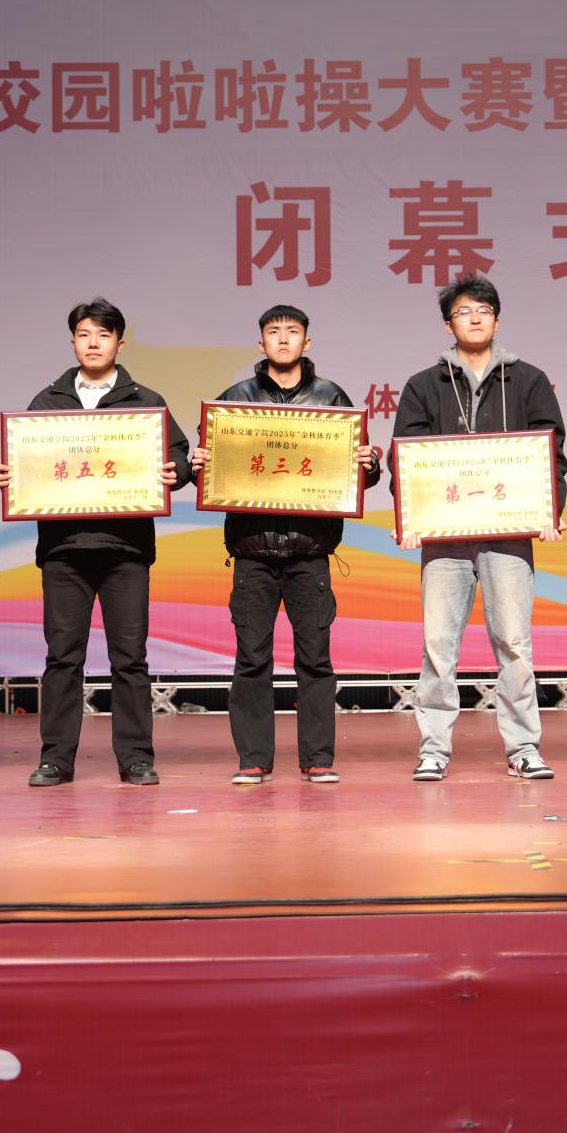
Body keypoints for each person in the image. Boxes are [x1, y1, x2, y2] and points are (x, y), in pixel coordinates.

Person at [0, 299, 191, 788]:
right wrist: (15, 477)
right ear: (73, 342)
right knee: (63, 657)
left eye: (103, 335)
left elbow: (178, 454)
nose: (93, 343)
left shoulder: (145, 401)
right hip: (63, 549)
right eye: (84, 334)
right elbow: (27, 462)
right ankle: (55, 759)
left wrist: (177, 471)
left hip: (126, 549)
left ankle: (136, 758)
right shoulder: (47, 402)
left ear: (119, 344)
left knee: (130, 658)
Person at [189, 306, 381, 785]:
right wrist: (201, 465)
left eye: (292, 332)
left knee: (315, 660)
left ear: (306, 342)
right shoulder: (236, 400)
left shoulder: (331, 398)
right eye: (273, 332)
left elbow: (358, 474)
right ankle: (253, 758)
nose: (282, 339)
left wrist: (369, 464)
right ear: (261, 344)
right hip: (252, 552)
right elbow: (211, 473)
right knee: (251, 659)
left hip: (309, 552)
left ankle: (318, 758)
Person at [391, 272, 567, 782]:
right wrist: (410, 516)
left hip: (508, 535)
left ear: (497, 320)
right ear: (448, 324)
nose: (475, 318)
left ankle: (524, 747)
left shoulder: (529, 380)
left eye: (484, 310)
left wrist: (548, 509)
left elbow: (550, 453)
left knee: (514, 643)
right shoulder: (424, 385)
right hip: (445, 539)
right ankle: (433, 748)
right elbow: (407, 458)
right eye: (464, 311)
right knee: (438, 646)